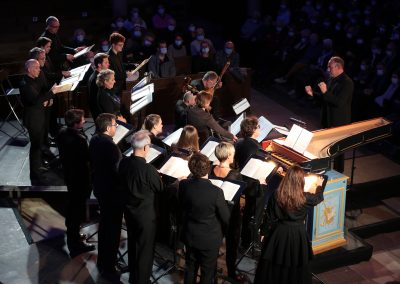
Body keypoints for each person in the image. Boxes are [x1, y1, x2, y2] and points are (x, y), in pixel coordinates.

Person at [254, 165, 324, 284]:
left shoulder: (277, 195)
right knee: (296, 263)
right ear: (300, 181)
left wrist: (264, 232)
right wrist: (319, 185)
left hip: (280, 233)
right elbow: (318, 198)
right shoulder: (305, 197)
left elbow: (269, 217)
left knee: (276, 264)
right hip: (298, 234)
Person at [119, 130, 164, 284]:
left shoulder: (124, 162)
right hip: (146, 217)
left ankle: (133, 277)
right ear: (145, 148)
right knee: (145, 251)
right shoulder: (148, 170)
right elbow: (159, 188)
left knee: (133, 244)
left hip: (129, 212)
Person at [178, 153, 230, 283]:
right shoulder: (216, 192)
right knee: (207, 273)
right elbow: (226, 218)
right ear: (208, 168)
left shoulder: (184, 184)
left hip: (190, 235)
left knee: (190, 268)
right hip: (209, 240)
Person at [89, 113, 123, 281]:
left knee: (104, 226)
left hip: (100, 187)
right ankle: (109, 266)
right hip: (111, 192)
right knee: (112, 230)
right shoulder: (110, 146)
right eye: (115, 125)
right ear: (108, 128)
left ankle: (103, 261)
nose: (116, 127)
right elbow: (118, 171)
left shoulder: (94, 139)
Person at [305, 56, 354, 172]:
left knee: (338, 152)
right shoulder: (332, 78)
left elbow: (339, 103)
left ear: (338, 67)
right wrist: (313, 94)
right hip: (328, 119)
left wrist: (325, 92)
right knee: (325, 148)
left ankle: (338, 174)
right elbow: (326, 98)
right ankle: (324, 171)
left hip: (339, 122)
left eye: (330, 67)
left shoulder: (347, 83)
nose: (328, 69)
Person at [57, 109, 95, 257]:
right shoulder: (79, 140)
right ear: (76, 123)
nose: (85, 121)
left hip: (70, 176)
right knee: (76, 211)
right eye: (83, 120)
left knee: (73, 209)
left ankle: (74, 237)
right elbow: (88, 159)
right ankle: (75, 245)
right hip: (80, 180)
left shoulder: (62, 132)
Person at [19, 59, 60, 185]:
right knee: (35, 147)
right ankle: (35, 174)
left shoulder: (35, 79)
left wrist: (48, 96)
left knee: (40, 144)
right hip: (33, 119)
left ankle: (39, 167)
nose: (39, 70)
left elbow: (41, 93)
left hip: (40, 116)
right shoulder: (24, 83)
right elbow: (35, 101)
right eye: (36, 68)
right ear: (30, 69)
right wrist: (52, 93)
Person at [209, 142, 244, 281]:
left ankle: (212, 271)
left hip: (214, 213)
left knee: (214, 244)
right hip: (230, 215)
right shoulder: (235, 175)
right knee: (232, 244)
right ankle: (231, 272)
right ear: (229, 156)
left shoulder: (211, 169)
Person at [234, 116, 267, 248]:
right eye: (258, 127)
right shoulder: (257, 148)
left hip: (244, 181)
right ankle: (252, 243)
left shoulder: (240, 142)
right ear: (253, 129)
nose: (260, 129)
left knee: (248, 211)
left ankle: (245, 240)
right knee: (256, 214)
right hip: (255, 185)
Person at [107, 32, 138, 97]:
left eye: (123, 44)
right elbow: (112, 74)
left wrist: (132, 65)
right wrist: (125, 74)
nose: (122, 47)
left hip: (121, 85)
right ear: (113, 44)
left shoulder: (119, 53)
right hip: (114, 87)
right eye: (120, 45)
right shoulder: (108, 57)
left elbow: (120, 65)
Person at [88, 53, 110, 120]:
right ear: (99, 65)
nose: (108, 64)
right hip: (100, 113)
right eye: (106, 62)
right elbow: (99, 100)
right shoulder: (96, 79)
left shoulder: (98, 75)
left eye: (108, 62)